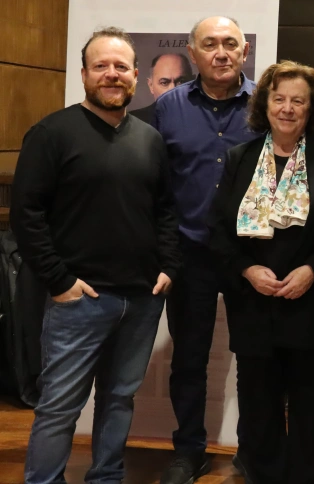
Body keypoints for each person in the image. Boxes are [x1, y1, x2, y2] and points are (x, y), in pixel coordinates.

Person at [10, 27, 180, 484]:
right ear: (84, 74)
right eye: (101, 66)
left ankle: (105, 477)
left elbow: (165, 210)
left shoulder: (150, 139)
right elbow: (25, 217)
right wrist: (59, 281)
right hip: (79, 300)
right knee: (60, 405)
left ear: (135, 74)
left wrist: (168, 265)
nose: (111, 74)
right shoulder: (50, 134)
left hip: (142, 299)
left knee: (119, 398)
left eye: (120, 66)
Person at [208, 60, 314, 484]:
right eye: (279, 99)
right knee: (259, 408)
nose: (288, 108)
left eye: (298, 101)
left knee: (311, 409)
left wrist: (313, 270)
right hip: (254, 305)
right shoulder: (240, 157)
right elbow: (218, 232)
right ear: (265, 104)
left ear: (312, 108)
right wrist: (246, 270)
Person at [154, 16, 258, 483]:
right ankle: (189, 450)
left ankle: (254, 450)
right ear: (193, 54)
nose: (221, 52)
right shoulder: (167, 107)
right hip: (190, 255)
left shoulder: (267, 103)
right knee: (189, 360)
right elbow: (155, 184)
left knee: (257, 357)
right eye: (210, 44)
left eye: (230, 44)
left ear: (244, 52)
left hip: (252, 257)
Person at [130, 53, 194, 125]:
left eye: (181, 81)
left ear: (193, 82)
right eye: (164, 83)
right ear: (151, 85)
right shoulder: (131, 123)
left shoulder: (206, 118)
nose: (173, 90)